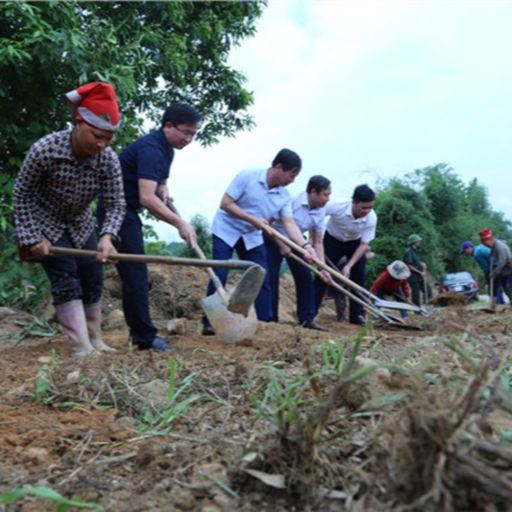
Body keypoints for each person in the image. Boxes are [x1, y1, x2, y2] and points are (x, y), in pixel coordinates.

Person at [13, 82, 125, 357]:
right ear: (78, 123)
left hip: (80, 222)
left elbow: (115, 202)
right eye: (96, 136)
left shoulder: (107, 160)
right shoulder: (45, 150)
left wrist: (107, 237)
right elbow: (22, 195)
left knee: (93, 276)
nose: (101, 144)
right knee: (66, 279)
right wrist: (32, 238)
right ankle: (81, 346)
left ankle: (96, 339)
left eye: (108, 139)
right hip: (44, 223)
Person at [103, 103, 203, 352]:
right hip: (116, 210)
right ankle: (144, 337)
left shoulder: (168, 149)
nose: (189, 139)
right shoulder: (150, 148)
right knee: (135, 273)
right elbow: (147, 198)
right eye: (185, 132)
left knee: (135, 272)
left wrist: (165, 188)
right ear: (168, 126)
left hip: (129, 210)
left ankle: (140, 333)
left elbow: (160, 181)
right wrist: (180, 222)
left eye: (194, 134)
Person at [202, 148, 318, 335]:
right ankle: (209, 322)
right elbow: (225, 204)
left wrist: (305, 247)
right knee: (220, 271)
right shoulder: (248, 176)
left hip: (252, 235)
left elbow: (289, 222)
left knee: (261, 274)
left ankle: (264, 322)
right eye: (292, 175)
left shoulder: (284, 195)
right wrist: (254, 220)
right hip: (227, 228)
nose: (292, 180)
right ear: (278, 167)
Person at [265, 175, 332, 330]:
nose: (328, 199)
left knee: (305, 277)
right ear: (313, 192)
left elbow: (318, 242)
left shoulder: (322, 210)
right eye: (325, 194)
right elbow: (268, 223)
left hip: (298, 241)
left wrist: (322, 268)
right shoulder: (292, 200)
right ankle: (271, 320)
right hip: (273, 236)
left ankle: (307, 318)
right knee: (271, 277)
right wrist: (281, 244)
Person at [314, 184, 377, 325]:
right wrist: (315, 240)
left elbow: (364, 245)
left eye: (370, 207)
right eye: (363, 207)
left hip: (355, 244)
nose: (367, 211)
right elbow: (317, 216)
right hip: (332, 241)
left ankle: (357, 315)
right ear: (354, 202)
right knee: (322, 275)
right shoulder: (337, 206)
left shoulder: (371, 218)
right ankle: (311, 312)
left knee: (359, 277)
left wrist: (349, 266)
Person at [460, 240, 505, 304]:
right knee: (497, 287)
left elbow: (486, 268)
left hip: (497, 266)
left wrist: (488, 277)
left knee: (493, 289)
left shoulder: (476, 254)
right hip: (501, 264)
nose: (465, 254)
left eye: (465, 251)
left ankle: (499, 303)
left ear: (469, 248)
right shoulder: (479, 247)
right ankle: (500, 303)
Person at [479, 229, 512, 304]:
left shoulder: (500, 247)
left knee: (508, 286)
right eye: (483, 242)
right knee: (505, 286)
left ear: (490, 239)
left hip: (508, 267)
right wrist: (491, 257)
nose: (484, 244)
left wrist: (494, 273)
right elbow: (492, 254)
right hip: (505, 267)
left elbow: (502, 263)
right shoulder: (494, 246)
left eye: (485, 242)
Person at [403, 234, 430, 306]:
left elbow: (418, 262)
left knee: (428, 291)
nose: (419, 242)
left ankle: (426, 306)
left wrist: (423, 264)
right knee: (416, 295)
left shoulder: (416, 251)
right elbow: (409, 265)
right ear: (414, 242)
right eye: (418, 241)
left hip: (420, 276)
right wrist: (420, 272)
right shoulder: (408, 252)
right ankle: (417, 310)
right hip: (413, 277)